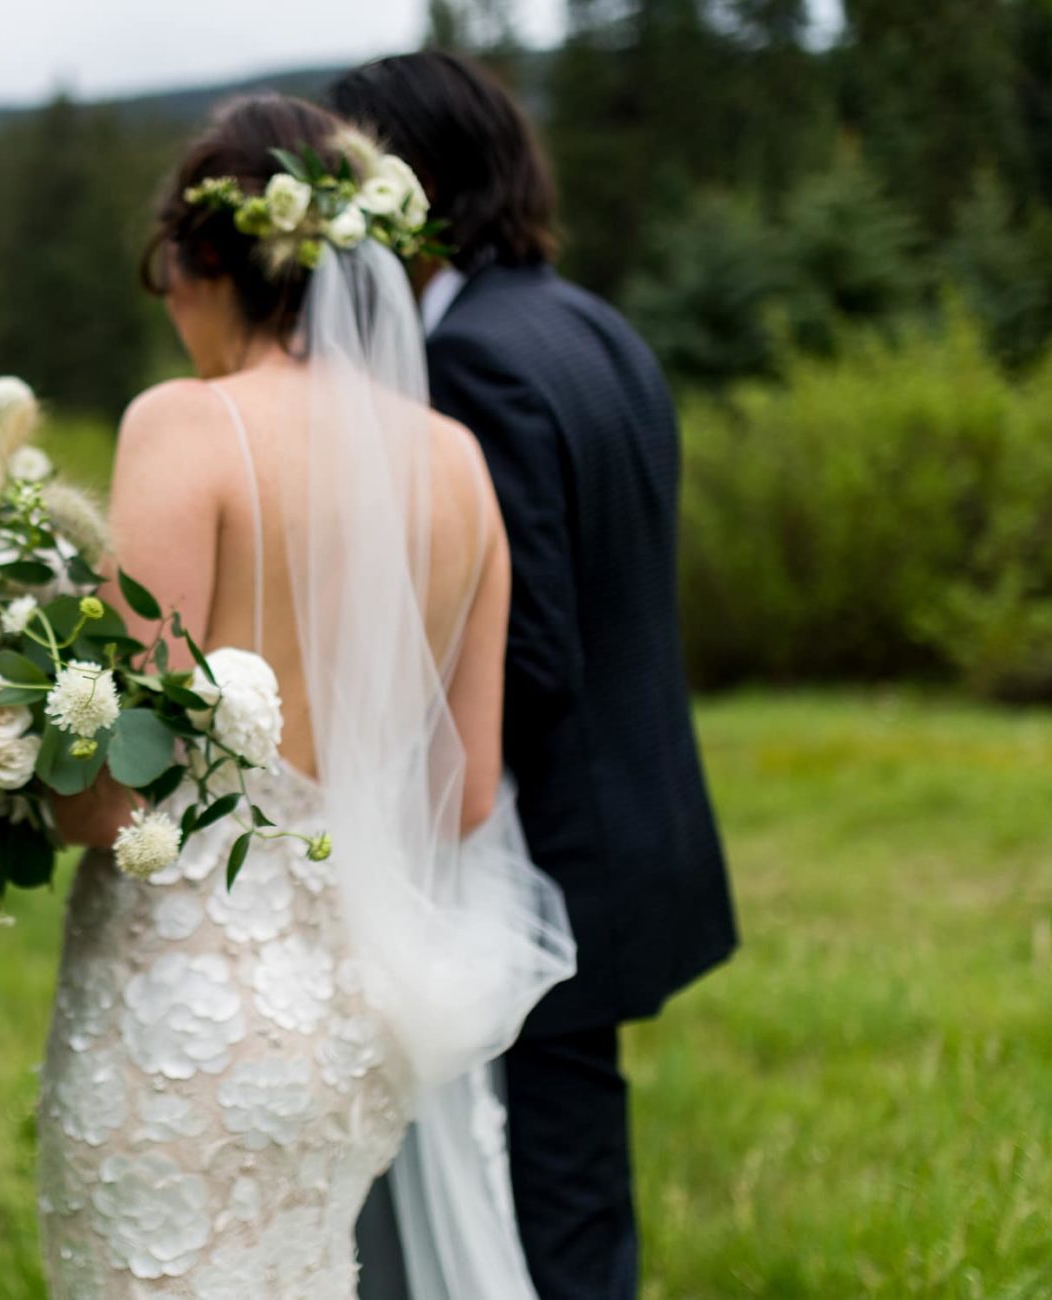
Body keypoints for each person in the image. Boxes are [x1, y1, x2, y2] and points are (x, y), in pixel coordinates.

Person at [37, 93, 575, 1298]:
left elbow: (113, 794)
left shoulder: (185, 428)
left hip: (183, 1021)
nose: (168, 302)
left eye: (165, 268)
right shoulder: (454, 461)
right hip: (352, 1029)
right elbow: (470, 790)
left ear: (209, 255)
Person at [328, 52, 739, 1300]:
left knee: (546, 1206)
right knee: (570, 1180)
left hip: (549, 853)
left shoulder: (470, 367)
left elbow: (530, 647)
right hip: (630, 830)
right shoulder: (587, 322)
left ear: (410, 185)